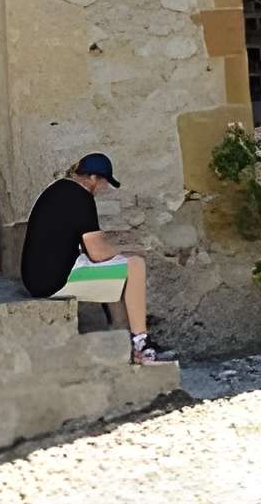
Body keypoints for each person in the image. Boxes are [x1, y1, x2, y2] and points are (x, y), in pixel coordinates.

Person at [18, 154, 166, 364]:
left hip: (35, 278)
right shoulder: (81, 198)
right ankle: (142, 343)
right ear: (94, 178)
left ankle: (122, 337)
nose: (104, 188)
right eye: (105, 182)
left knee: (113, 269)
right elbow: (97, 252)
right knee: (135, 265)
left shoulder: (58, 189)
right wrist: (128, 249)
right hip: (52, 282)